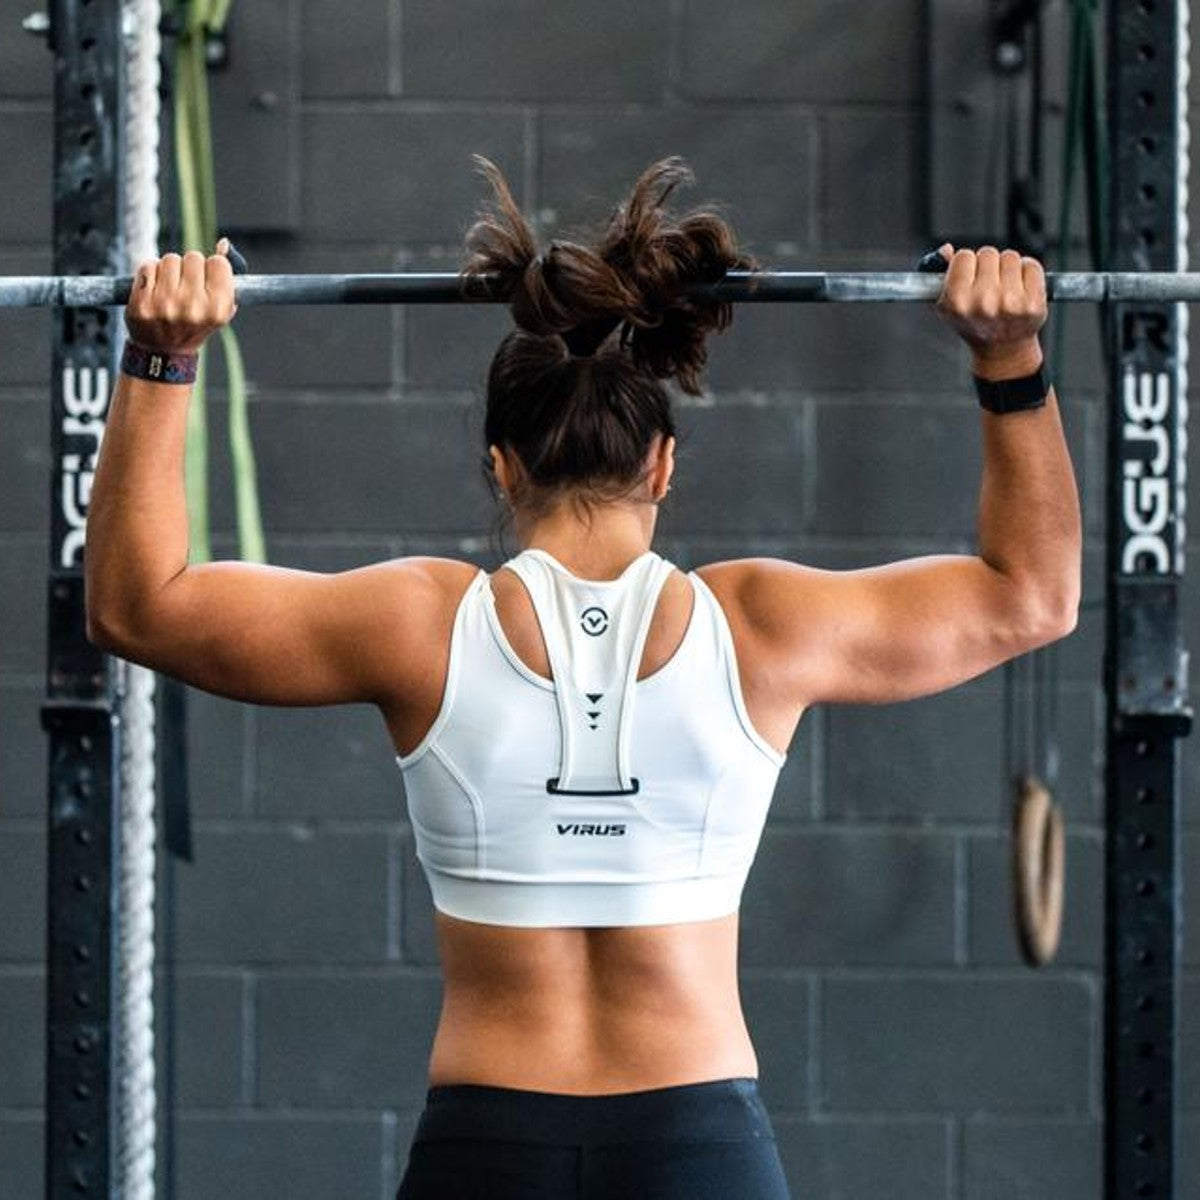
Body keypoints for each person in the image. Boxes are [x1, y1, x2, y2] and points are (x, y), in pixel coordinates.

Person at [85, 158, 1081, 1200]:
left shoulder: (418, 625)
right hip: (701, 1143)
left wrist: (163, 361)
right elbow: (1034, 595)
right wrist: (1010, 357)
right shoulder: (762, 628)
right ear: (662, 464)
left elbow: (136, 604)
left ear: (500, 465)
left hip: (487, 1144)